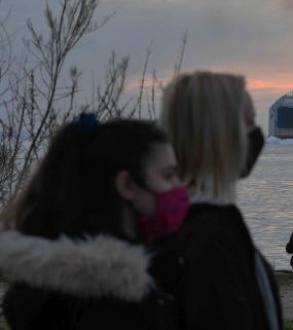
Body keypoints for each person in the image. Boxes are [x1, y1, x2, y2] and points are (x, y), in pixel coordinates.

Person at [0, 115, 186, 330]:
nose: (179, 187)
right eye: (168, 175)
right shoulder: (123, 306)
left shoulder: (37, 288)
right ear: (126, 184)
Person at [157, 71, 282, 330]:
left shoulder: (172, 221)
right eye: (249, 125)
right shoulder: (211, 238)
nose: (257, 136)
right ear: (224, 139)